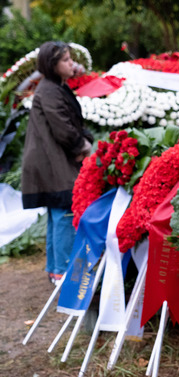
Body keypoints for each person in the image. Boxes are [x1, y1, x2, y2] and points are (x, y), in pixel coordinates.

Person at [21, 41, 93, 284]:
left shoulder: (52, 86)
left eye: (70, 58)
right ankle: (62, 271)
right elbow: (63, 129)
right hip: (52, 160)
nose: (70, 63)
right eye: (65, 60)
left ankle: (55, 270)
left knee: (57, 212)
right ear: (52, 66)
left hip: (50, 158)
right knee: (64, 211)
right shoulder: (50, 90)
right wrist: (82, 146)